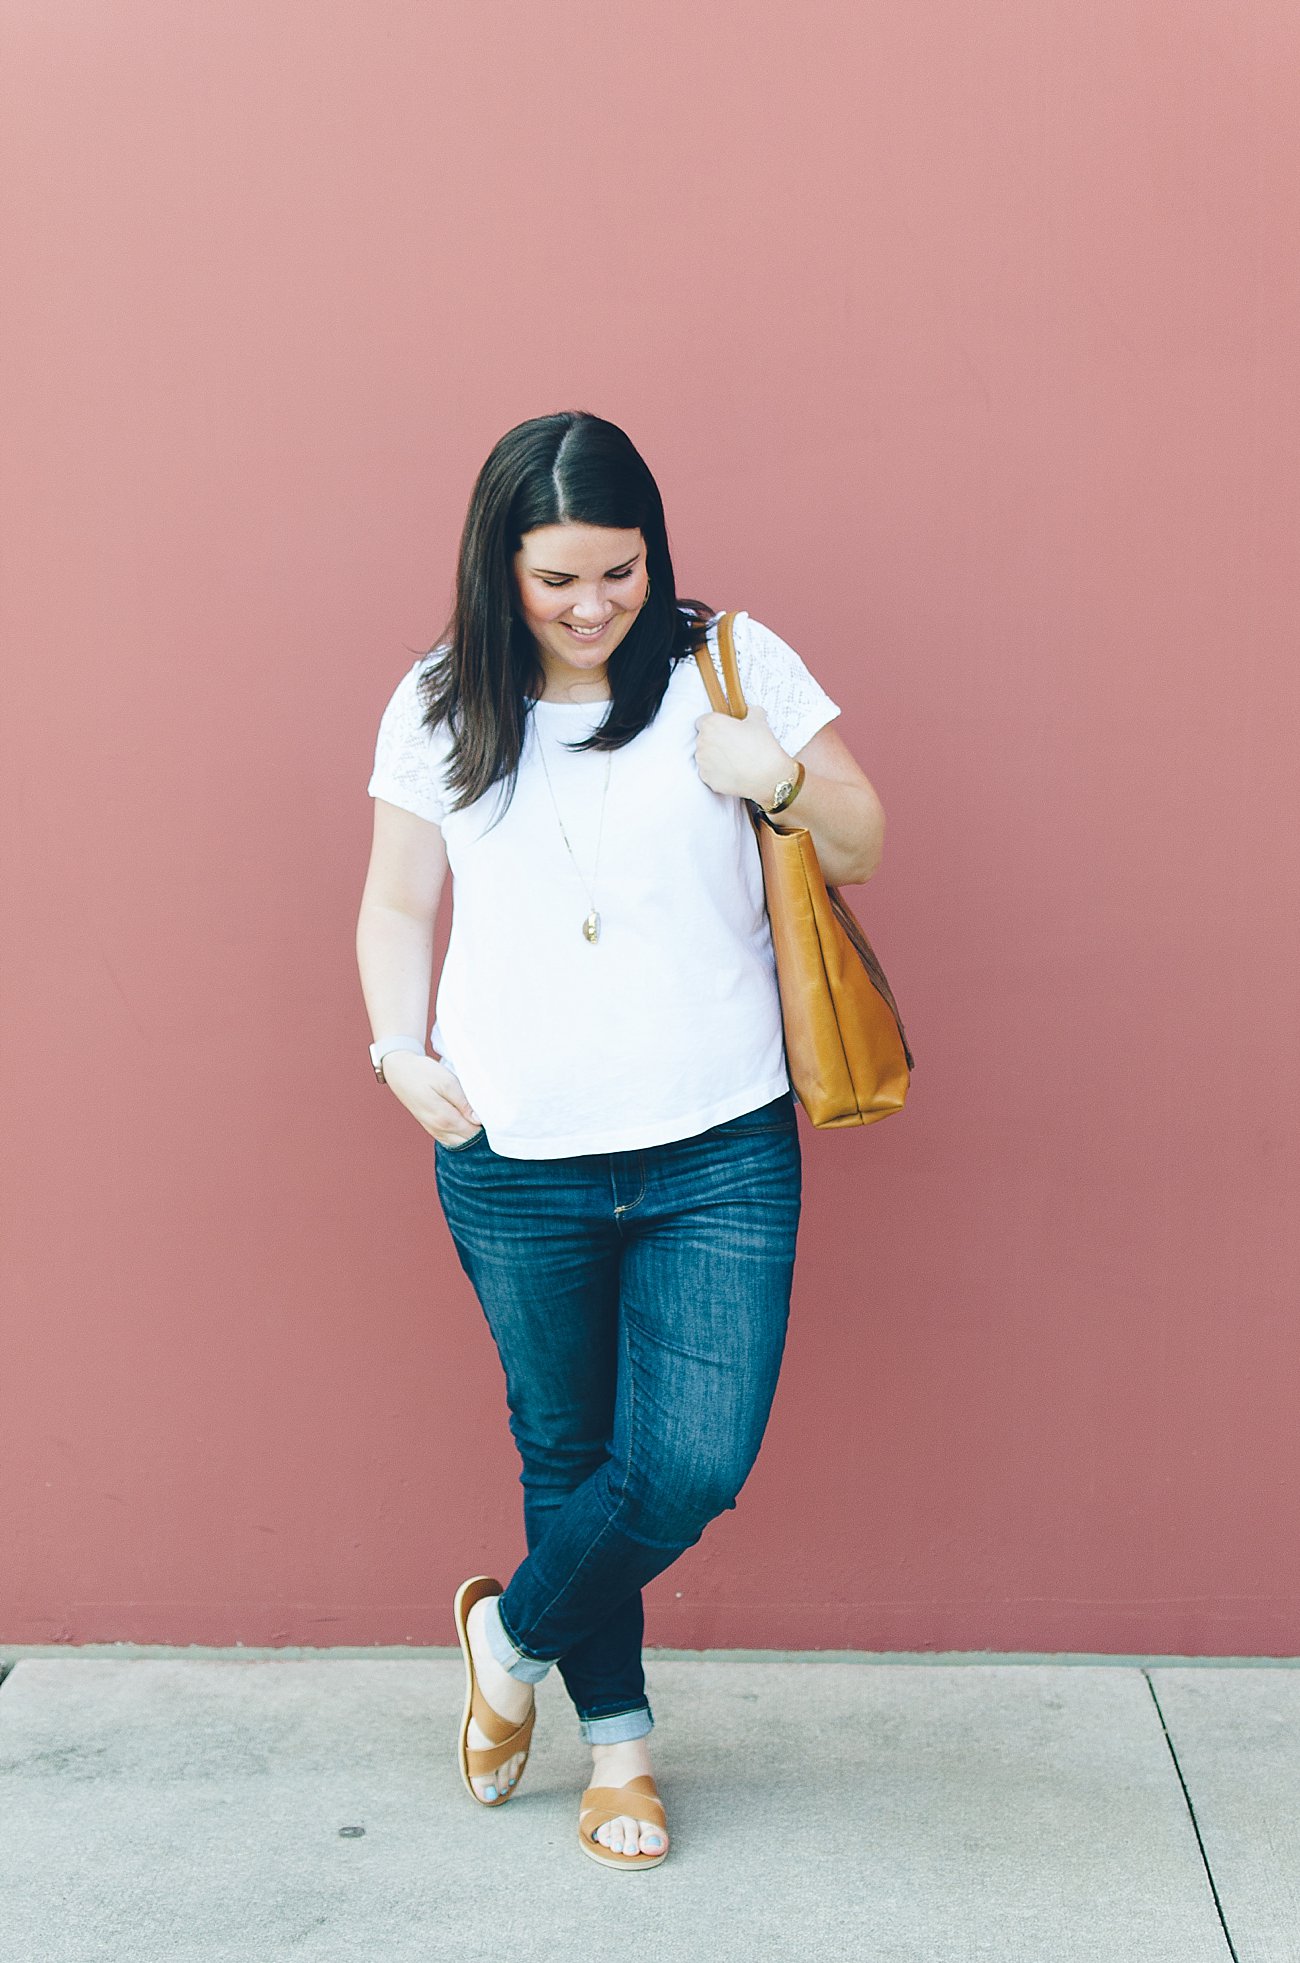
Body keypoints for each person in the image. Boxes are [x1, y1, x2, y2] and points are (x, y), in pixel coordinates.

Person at [355, 410, 885, 1870]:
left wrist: (767, 772)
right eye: (558, 581)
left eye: (622, 572)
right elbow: (398, 902)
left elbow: (861, 834)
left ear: (657, 554)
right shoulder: (439, 701)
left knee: (690, 1465)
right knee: (568, 1447)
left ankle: (507, 1638)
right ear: (498, 570)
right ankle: (621, 1753)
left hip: (718, 1136)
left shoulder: (732, 659)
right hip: (512, 1149)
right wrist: (398, 1050)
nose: (595, 607)